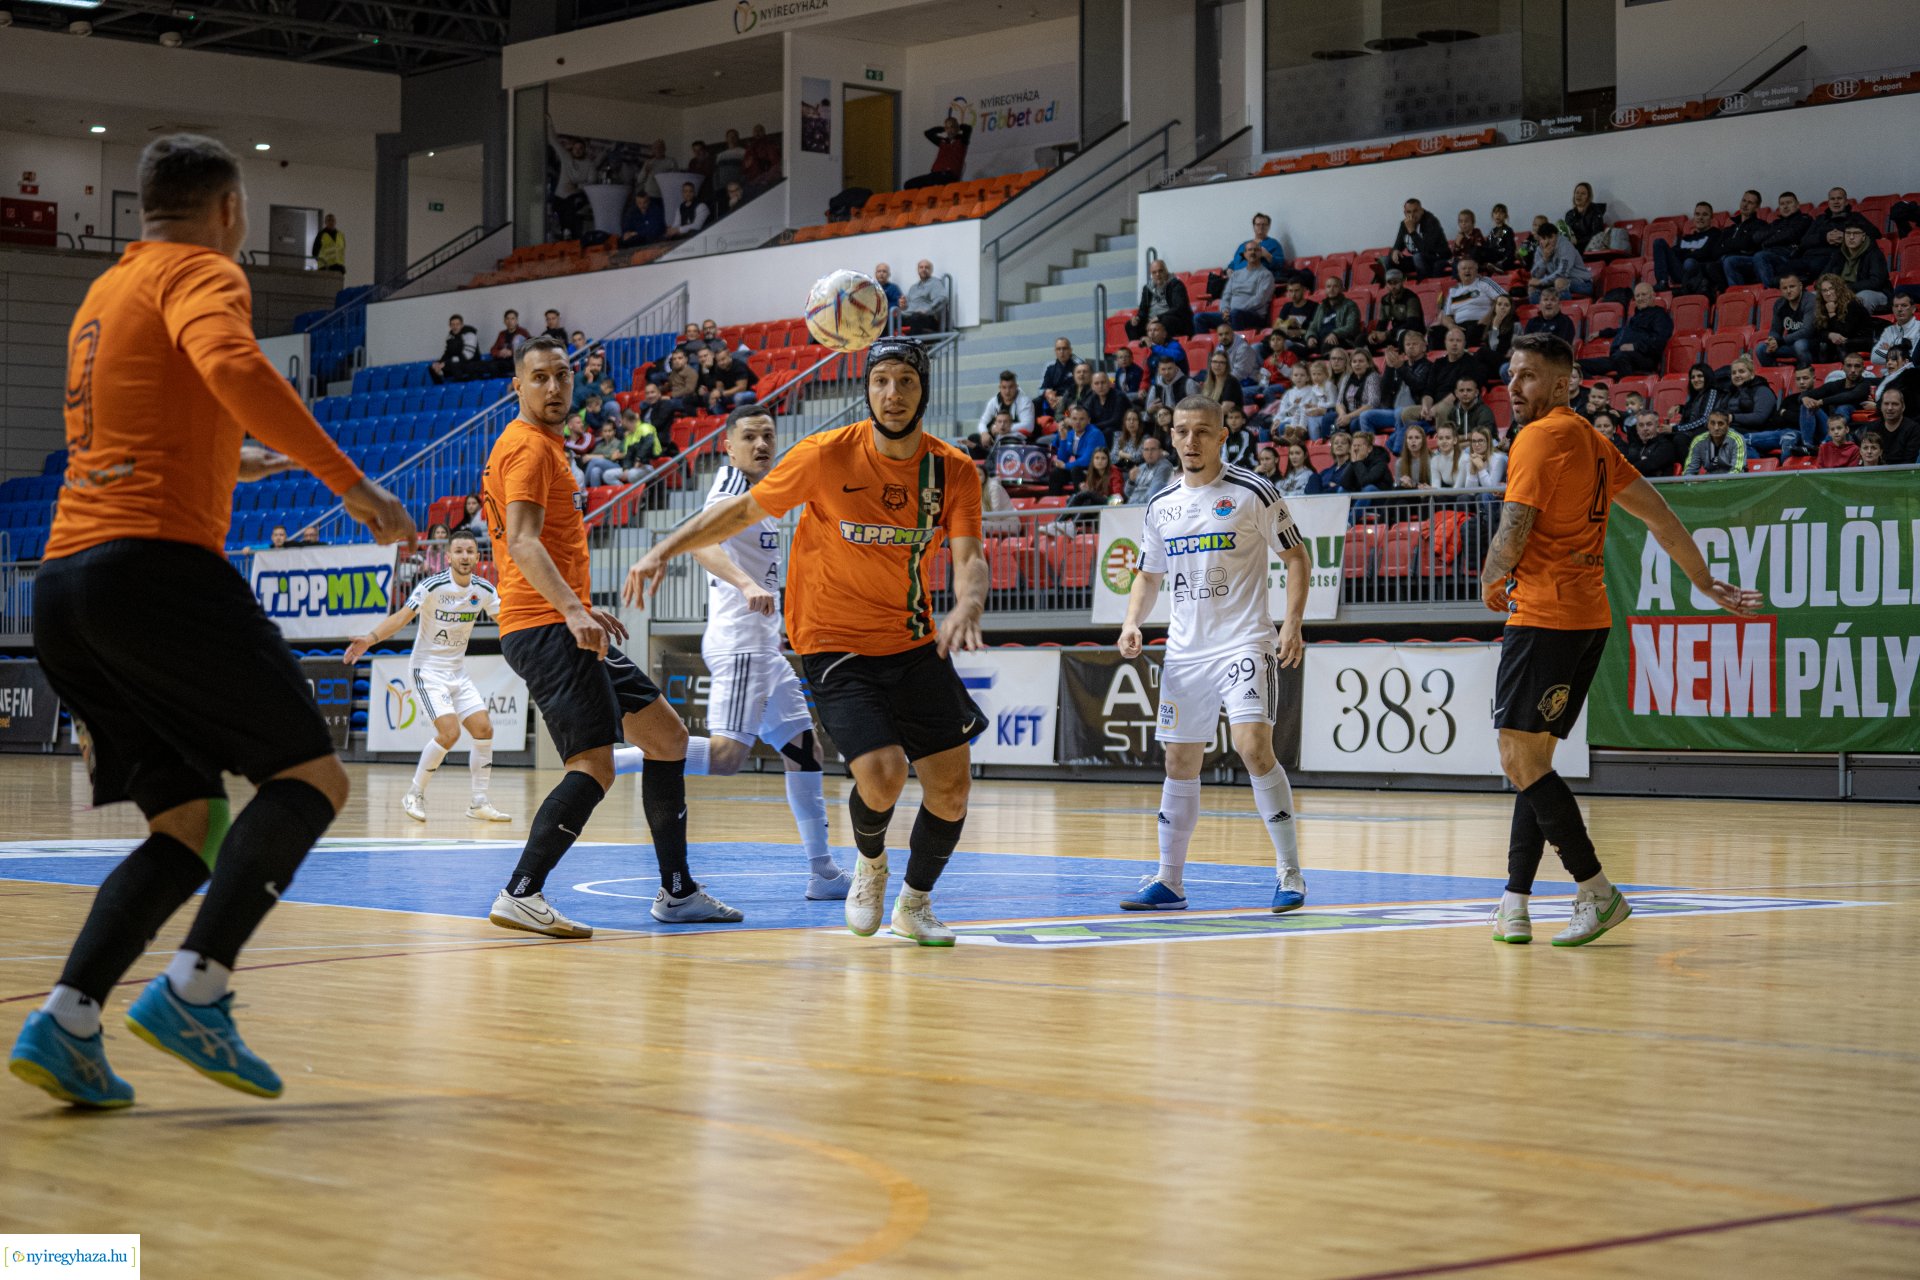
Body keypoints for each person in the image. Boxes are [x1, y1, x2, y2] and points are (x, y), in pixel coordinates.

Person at [9, 133, 414, 1108]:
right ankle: (197, 987)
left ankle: (67, 1019)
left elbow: (134, 428)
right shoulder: (203, 270)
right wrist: (346, 481)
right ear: (230, 211)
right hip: (153, 568)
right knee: (310, 775)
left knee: (189, 823)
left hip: (67, 586)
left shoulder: (106, 292)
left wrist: (231, 464)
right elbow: (231, 363)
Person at [626, 338, 988, 947]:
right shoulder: (824, 455)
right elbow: (738, 512)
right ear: (866, 391)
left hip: (911, 638)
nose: (892, 394)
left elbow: (970, 555)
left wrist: (969, 602)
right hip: (831, 638)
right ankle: (869, 867)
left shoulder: (951, 468)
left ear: (923, 388)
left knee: (951, 789)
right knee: (882, 772)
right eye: (880, 382)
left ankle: (915, 902)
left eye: (905, 381)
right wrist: (663, 548)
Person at [1482, 333, 1759, 947]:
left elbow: (1515, 523)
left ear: (1563, 384)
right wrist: (1703, 580)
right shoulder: (1595, 442)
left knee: (1518, 759)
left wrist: (1491, 576)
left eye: (1528, 376)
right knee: (1535, 762)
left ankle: (1598, 891)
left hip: (1544, 616)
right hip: (1588, 619)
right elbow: (1658, 514)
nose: (1514, 385)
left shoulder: (1537, 437)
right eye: (1511, 373)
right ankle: (1515, 902)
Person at [482, 336, 740, 940]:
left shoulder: (543, 445)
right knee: (593, 765)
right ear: (517, 387)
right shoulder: (526, 448)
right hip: (544, 625)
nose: (553, 387)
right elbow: (522, 542)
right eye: (539, 378)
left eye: (562, 375)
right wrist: (574, 611)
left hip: (561, 618)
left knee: (667, 737)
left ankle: (676, 892)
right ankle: (521, 892)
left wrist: (583, 609)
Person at [633, 408, 852, 898]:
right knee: (728, 757)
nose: (760, 444)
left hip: (764, 645)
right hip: (741, 642)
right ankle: (610, 759)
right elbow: (702, 542)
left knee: (804, 750)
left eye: (767, 436)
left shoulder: (767, 490)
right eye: (748, 436)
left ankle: (823, 874)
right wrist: (747, 582)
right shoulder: (730, 485)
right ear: (729, 447)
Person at [1116, 396, 1312, 913]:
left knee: (1253, 746)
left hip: (1244, 641)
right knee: (1179, 761)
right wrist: (1132, 621)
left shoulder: (1252, 491)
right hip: (1185, 654)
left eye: (1202, 432)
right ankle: (1170, 881)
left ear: (1222, 436)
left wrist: (1291, 623)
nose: (1190, 441)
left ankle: (1290, 873)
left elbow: (1296, 557)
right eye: (1182, 431)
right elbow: (1148, 574)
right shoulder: (1161, 504)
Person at [343, 530, 508, 825]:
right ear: (448, 557)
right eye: (459, 551)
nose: (465, 556)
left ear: (477, 556)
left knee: (484, 729)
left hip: (457, 671)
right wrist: (369, 639)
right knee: (450, 733)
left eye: (470, 551)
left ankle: (479, 802)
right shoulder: (432, 586)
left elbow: (509, 619)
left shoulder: (483, 589)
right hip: (427, 670)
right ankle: (414, 794)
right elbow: (402, 618)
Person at [1578, 281, 1671, 378]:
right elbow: (1625, 330)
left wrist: (1634, 346)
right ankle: (1598, 387)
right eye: (1637, 296)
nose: (1640, 298)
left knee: (1621, 357)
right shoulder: (1637, 316)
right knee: (1577, 365)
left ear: (1653, 296)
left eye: (1644, 294)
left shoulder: (1660, 316)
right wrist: (1601, 333)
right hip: (1619, 356)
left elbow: (1659, 341)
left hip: (1644, 357)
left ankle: (1626, 388)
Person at [1429, 256, 1505, 348]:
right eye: (1464, 268)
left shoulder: (1485, 282)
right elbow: (1446, 315)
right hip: (1459, 326)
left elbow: (1504, 299)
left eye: (1470, 268)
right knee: (1435, 332)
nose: (1467, 271)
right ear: (1458, 272)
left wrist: (1487, 319)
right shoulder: (1454, 290)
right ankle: (1442, 360)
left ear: (1476, 270)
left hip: (1481, 323)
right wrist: (1451, 326)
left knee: (1472, 331)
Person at [1197, 243, 1275, 331]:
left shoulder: (1266, 275)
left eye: (1256, 250)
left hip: (1254, 315)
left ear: (1260, 253)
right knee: (1199, 318)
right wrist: (1225, 310)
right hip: (1231, 314)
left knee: (1235, 314)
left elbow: (1260, 300)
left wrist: (1234, 311)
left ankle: (1237, 343)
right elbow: (1226, 296)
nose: (1253, 252)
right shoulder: (1236, 274)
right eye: (1249, 250)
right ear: (1245, 254)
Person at [1651, 202, 1722, 295]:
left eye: (1705, 214)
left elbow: (1705, 254)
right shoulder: (1686, 238)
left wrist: (1685, 253)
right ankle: (1662, 282)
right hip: (1680, 273)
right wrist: (1691, 251)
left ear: (1711, 218)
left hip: (1698, 275)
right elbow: (1673, 254)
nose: (1700, 218)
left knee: (1689, 262)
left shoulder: (1715, 234)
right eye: (1697, 214)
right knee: (1658, 242)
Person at [1811, 274, 1874, 363]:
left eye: (1831, 288)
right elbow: (1817, 331)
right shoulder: (1823, 306)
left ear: (1839, 289)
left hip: (1861, 340)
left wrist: (1832, 313)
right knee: (1820, 344)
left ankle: (1844, 373)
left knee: (1841, 344)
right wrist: (1830, 335)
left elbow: (1845, 333)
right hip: (1841, 341)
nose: (1828, 293)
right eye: (1824, 291)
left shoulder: (1852, 305)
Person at [1128, 259, 1195, 341]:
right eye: (1154, 272)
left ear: (1166, 271)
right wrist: (1138, 318)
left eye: (1160, 271)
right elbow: (1143, 310)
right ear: (1151, 274)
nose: (1157, 274)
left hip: (1172, 319)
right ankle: (1139, 350)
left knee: (1164, 322)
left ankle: (1162, 347)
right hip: (1151, 320)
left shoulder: (1176, 285)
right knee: (1131, 325)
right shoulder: (1147, 288)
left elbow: (1179, 307)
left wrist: (1159, 317)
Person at [1382, 197, 1449, 280]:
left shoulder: (1431, 222)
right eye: (1409, 212)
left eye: (1415, 211)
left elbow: (1427, 251)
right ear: (1405, 213)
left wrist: (1412, 231)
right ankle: (1395, 286)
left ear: (1421, 211)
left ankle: (1425, 285)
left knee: (1417, 257)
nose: (1412, 215)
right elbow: (1397, 245)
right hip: (1417, 260)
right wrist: (1395, 251)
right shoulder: (1404, 224)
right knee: (1387, 259)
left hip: (1436, 259)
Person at [1526, 223, 1592, 301]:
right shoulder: (1540, 250)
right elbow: (1535, 276)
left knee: (1559, 282)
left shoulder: (1565, 246)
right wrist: (1544, 259)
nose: (1547, 242)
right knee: (1532, 288)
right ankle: (1541, 312)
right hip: (1553, 282)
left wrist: (1541, 282)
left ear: (1557, 236)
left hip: (1582, 284)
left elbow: (1562, 273)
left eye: (1550, 237)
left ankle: (1566, 311)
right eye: (1544, 238)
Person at [1049, 406, 1104, 493]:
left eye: (1082, 419)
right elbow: (1062, 459)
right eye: (1074, 419)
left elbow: (1087, 460)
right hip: (1078, 469)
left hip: (1095, 470)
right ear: (1070, 420)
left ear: (1088, 420)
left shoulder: (1095, 434)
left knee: (1076, 470)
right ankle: (1054, 501)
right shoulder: (1070, 434)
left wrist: (1065, 466)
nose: (1077, 422)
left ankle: (1080, 501)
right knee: (1056, 472)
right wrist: (1063, 440)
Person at [1369, 268, 1425, 352]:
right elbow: (1382, 323)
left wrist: (1387, 334)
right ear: (1386, 284)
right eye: (1390, 283)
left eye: (1396, 283)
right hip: (1394, 333)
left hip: (1412, 333)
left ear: (1402, 282)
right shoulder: (1385, 300)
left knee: (1402, 335)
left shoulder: (1410, 298)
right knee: (1364, 339)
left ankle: (1403, 362)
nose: (1393, 286)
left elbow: (1412, 323)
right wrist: (1377, 334)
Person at [909, 116, 972, 188]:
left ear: (956, 128)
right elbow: (928, 133)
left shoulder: (962, 141)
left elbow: (967, 128)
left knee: (937, 182)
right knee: (909, 185)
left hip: (949, 175)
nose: (949, 130)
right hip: (935, 174)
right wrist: (942, 129)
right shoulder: (943, 142)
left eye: (952, 127)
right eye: (947, 128)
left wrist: (958, 126)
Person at [1305, 276, 1362, 352]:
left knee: (1327, 346)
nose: (1331, 290)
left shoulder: (1350, 305)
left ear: (1341, 289)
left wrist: (1335, 333)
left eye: (1335, 286)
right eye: (1328, 287)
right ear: (1325, 289)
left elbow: (1352, 327)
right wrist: (1311, 337)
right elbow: (1313, 325)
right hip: (1320, 340)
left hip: (1340, 340)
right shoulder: (1322, 306)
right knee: (1297, 349)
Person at [899, 259, 949, 335]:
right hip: (910, 317)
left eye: (926, 267)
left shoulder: (934, 283)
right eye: (921, 267)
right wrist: (904, 306)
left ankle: (914, 346)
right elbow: (908, 306)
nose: (923, 269)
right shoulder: (913, 287)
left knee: (915, 317)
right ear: (918, 270)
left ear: (931, 270)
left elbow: (942, 298)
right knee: (887, 320)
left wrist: (927, 309)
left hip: (926, 318)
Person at [979, 370, 1035, 437]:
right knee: (974, 438)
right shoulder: (994, 402)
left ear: (1016, 387)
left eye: (1010, 387)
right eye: (1004, 387)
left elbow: (1028, 426)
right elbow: (983, 422)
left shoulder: (1025, 402)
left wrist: (1001, 428)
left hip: (1017, 440)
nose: (1007, 391)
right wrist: (984, 433)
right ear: (1000, 388)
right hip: (997, 439)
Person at [1623, 411, 1679, 477]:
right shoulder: (1634, 446)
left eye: (1649, 424)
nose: (1645, 428)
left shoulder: (1666, 446)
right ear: (1637, 429)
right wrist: (1640, 458)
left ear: (1657, 426)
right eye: (1641, 425)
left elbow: (1650, 465)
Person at [430, 313, 482, 383]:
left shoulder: (470, 334)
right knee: (432, 368)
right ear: (450, 326)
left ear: (462, 325)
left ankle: (459, 387)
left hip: (471, 363)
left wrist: (445, 363)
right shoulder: (450, 337)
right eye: (453, 324)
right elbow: (447, 353)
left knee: (454, 365)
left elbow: (467, 355)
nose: (455, 327)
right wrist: (439, 363)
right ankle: (440, 388)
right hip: (455, 362)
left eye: (457, 324)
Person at [1871, 293, 1919, 365]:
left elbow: (1914, 359)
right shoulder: (1889, 331)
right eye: (1896, 306)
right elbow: (1874, 357)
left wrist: (1890, 350)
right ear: (1893, 309)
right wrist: (1900, 354)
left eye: (1904, 305)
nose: (1899, 309)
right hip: (1889, 374)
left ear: (1913, 309)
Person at [1124, 434, 1175, 502]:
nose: (1149, 453)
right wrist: (1131, 481)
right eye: (1146, 449)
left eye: (1153, 449)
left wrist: (1135, 501)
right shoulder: (1141, 467)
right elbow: (1127, 493)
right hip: (1133, 506)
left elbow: (1154, 493)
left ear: (1160, 451)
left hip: (1146, 507)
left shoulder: (1165, 467)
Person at [1564, 181, 1607, 251]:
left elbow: (1596, 235)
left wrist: (1578, 242)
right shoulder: (1569, 214)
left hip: (1589, 248)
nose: (1579, 195)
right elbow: (1567, 234)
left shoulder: (1595, 212)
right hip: (1572, 248)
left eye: (1583, 193)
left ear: (1588, 197)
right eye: (1577, 192)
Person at [1461, 425, 1506, 489]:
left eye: (1480, 441)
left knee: (1482, 496)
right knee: (1463, 497)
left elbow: (1491, 489)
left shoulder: (1498, 459)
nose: (1476, 444)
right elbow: (1470, 492)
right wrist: (1473, 470)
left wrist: (1481, 468)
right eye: (1474, 441)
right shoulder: (1471, 458)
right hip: (1480, 494)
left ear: (1488, 442)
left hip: (1495, 496)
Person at [1394, 423, 1433, 489]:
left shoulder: (1431, 460)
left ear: (1423, 441)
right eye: (1410, 438)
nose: (1413, 441)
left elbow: (1434, 485)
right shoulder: (1400, 462)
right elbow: (1398, 485)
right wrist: (1404, 484)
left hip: (1426, 494)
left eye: (1417, 438)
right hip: (1408, 495)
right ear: (1406, 441)